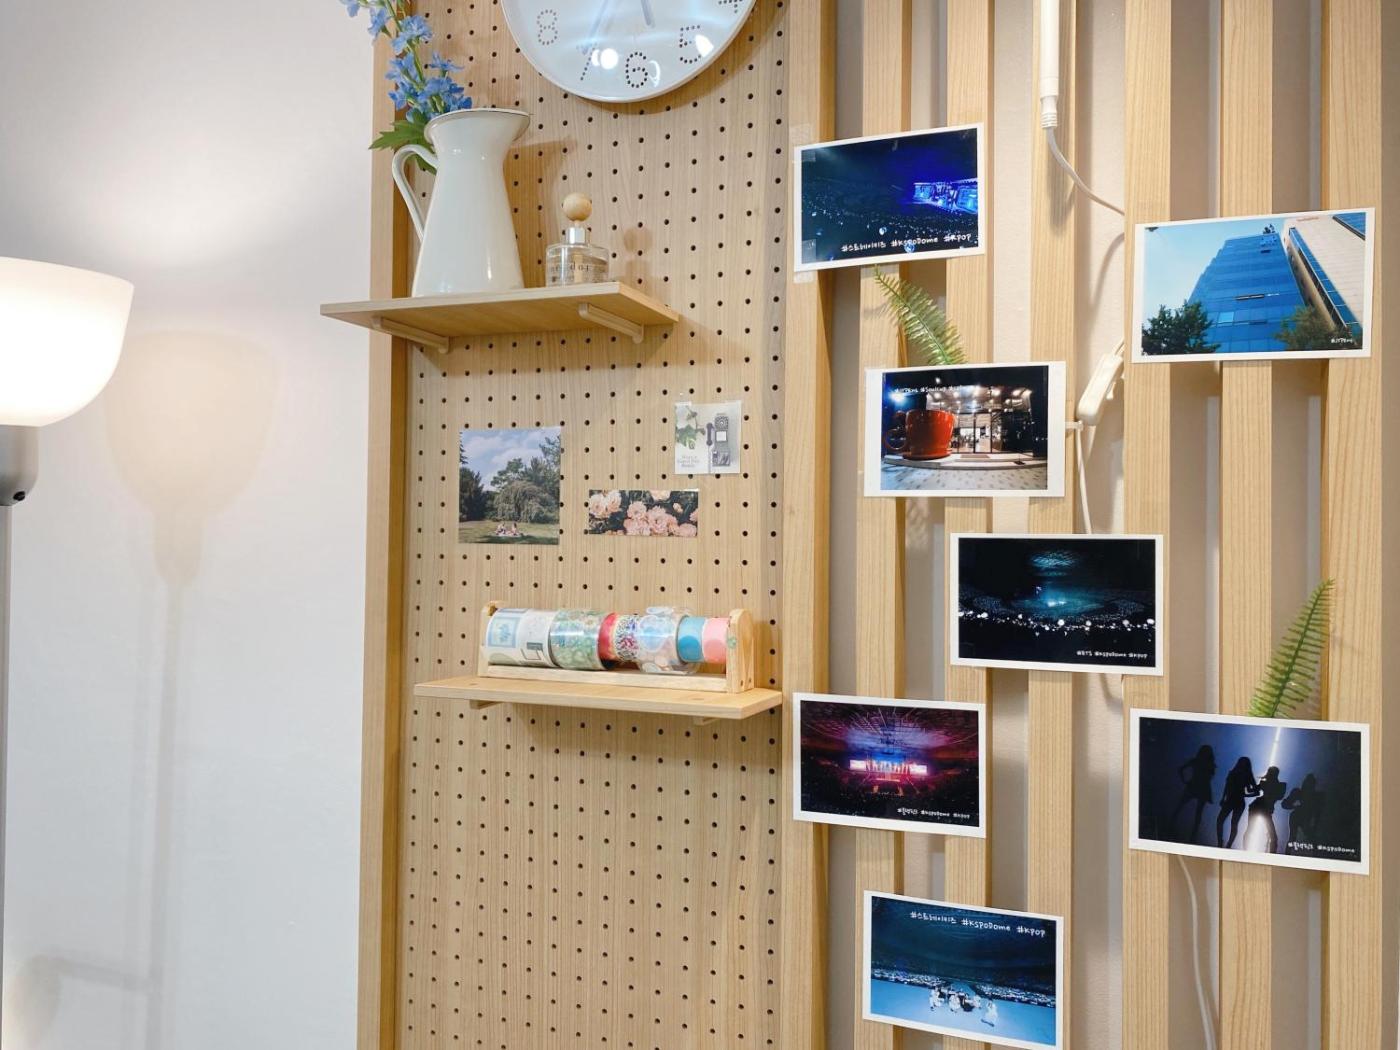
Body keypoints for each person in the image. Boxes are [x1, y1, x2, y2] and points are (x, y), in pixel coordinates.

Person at [1170, 744, 1217, 843]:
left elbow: (1181, 769)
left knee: (1181, 806)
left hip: (1195, 785)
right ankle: (1192, 836)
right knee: (1197, 813)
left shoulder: (1196, 761)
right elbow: (1210, 776)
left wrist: (1184, 781)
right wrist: (1185, 780)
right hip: (1202, 788)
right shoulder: (1210, 764)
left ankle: (1172, 825)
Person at [1216, 756, 1259, 849]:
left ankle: (1223, 844)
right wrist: (1246, 794)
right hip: (1236, 801)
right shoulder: (1245, 774)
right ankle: (1225, 844)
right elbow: (1255, 791)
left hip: (1233, 800)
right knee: (1229, 823)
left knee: (1225, 822)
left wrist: (1223, 798)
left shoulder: (1236, 773)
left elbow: (1227, 787)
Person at [1246, 766, 1287, 853]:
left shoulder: (1279, 785)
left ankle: (1270, 855)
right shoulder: (1277, 785)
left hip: (1260, 808)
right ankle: (1246, 852)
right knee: (1252, 831)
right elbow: (1252, 790)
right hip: (1259, 807)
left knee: (1252, 831)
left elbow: (1279, 796)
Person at [1282, 773, 1325, 849]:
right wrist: (1294, 807)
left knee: (1309, 839)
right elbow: (1284, 804)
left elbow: (1318, 814)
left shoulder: (1316, 797)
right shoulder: (1300, 793)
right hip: (1297, 817)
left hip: (1304, 818)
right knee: (1293, 838)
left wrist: (1314, 826)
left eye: (1310, 784)